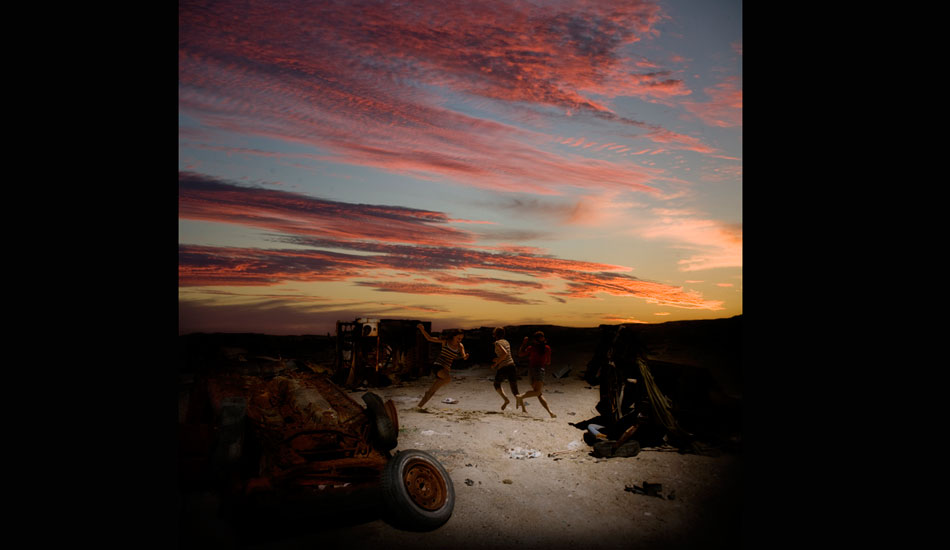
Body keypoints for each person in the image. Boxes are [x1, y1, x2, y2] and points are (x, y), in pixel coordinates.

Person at [416, 324, 469, 408]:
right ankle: (427, 394)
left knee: (432, 391)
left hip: (446, 369)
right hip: (438, 366)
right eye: (458, 338)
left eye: (461, 338)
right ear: (454, 336)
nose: (460, 340)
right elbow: (429, 338)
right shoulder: (445, 342)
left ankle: (419, 406)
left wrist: (465, 357)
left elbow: (463, 356)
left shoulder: (460, 346)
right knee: (447, 379)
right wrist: (422, 329)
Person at [517, 331, 556, 418]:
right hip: (539, 370)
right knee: (537, 392)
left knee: (538, 393)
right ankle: (520, 396)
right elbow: (548, 362)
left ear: (534, 340)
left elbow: (520, 354)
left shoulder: (531, 348)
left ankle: (550, 412)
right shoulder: (547, 348)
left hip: (531, 371)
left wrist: (524, 344)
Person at [489, 327, 520, 411]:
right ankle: (524, 409)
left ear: (495, 334)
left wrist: (495, 364)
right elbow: (506, 355)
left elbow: (504, 354)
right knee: (514, 389)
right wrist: (497, 359)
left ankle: (506, 399)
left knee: (496, 384)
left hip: (503, 366)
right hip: (512, 365)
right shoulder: (506, 342)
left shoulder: (497, 343)